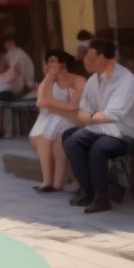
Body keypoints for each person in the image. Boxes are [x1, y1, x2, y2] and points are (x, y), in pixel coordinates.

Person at [61, 38, 134, 214]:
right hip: (100, 128)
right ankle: (90, 191)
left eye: (92, 56)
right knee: (69, 138)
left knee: (97, 147)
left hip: (123, 132)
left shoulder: (125, 79)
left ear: (105, 57)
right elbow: (84, 110)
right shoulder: (93, 80)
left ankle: (101, 197)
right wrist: (86, 117)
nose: (86, 60)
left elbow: (114, 114)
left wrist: (90, 118)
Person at [29, 49, 84, 193]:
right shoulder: (48, 81)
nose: (51, 65)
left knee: (50, 135)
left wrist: (52, 105)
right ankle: (50, 182)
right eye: (49, 62)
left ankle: (53, 182)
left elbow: (74, 107)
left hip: (74, 118)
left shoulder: (77, 80)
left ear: (63, 63)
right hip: (52, 118)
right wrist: (49, 77)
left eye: (54, 61)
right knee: (49, 138)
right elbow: (41, 102)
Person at [0, 36, 35, 139]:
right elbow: (4, 70)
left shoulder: (19, 55)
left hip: (22, 87)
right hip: (12, 83)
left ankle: (0, 125)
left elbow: (14, 74)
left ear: (11, 42)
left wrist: (0, 75)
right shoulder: (9, 55)